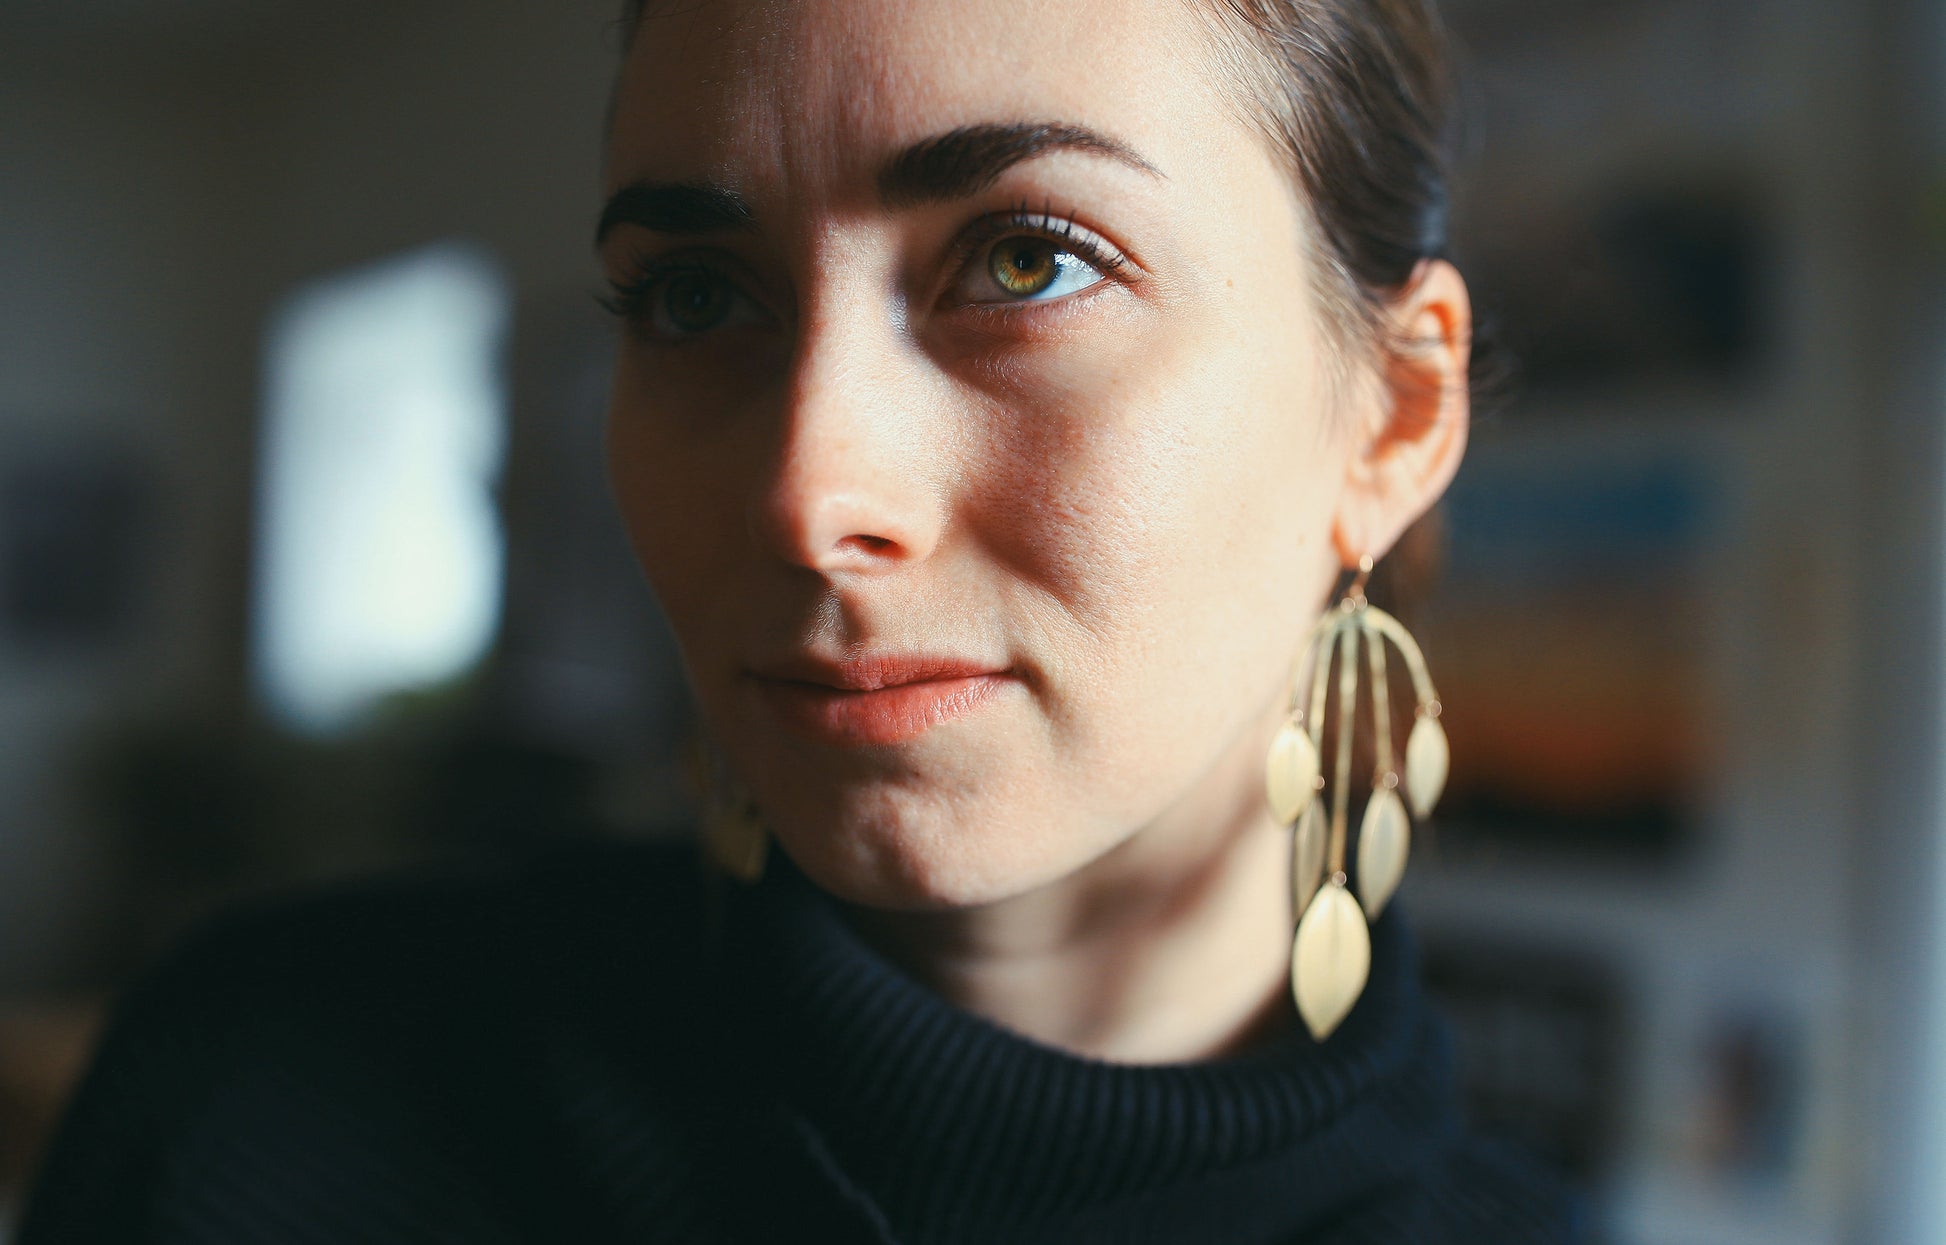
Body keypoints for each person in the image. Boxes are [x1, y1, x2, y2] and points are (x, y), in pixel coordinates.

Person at [20, 0, 1584, 1240]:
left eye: (1026, 260)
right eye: (696, 295)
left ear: (1391, 414)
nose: (801, 491)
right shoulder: (256, 1098)